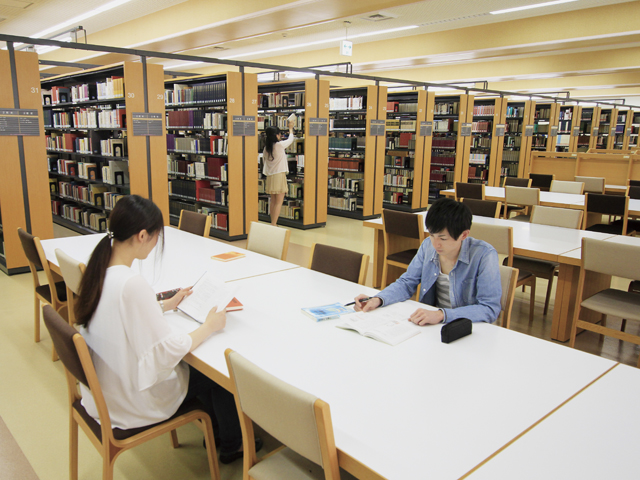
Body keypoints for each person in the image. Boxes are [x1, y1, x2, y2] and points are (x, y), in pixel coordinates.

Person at [75, 195, 258, 463]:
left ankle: (216, 430)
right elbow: (166, 350)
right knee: (218, 376)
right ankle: (233, 444)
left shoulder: (100, 270)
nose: (155, 245)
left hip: (106, 389)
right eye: (156, 237)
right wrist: (209, 326)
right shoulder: (131, 283)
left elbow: (121, 313)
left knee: (199, 367)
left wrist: (164, 305)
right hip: (131, 400)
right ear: (141, 236)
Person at [354, 197, 502, 325]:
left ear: (464, 235)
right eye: (432, 235)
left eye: (443, 238)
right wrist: (378, 299)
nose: (435, 244)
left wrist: (441, 315)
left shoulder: (484, 255)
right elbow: (407, 283)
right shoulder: (427, 246)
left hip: (465, 326)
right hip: (432, 323)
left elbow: (489, 308)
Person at [263, 119, 295, 225]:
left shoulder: (266, 148)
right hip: (279, 175)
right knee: (279, 201)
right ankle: (274, 224)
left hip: (270, 176)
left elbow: (264, 161)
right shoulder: (279, 145)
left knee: (273, 200)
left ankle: (273, 222)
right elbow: (291, 139)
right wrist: (290, 128)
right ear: (276, 135)